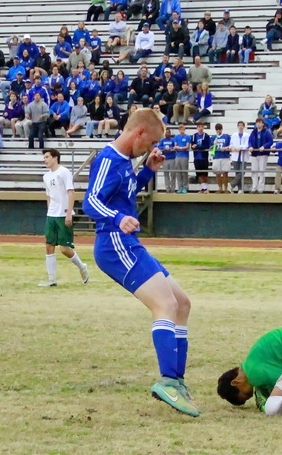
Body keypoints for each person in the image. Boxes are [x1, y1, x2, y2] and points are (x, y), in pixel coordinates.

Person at [82, 108, 200, 417]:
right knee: (165, 306)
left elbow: (124, 190)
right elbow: (91, 201)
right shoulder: (108, 159)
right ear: (139, 134)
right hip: (114, 243)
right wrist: (118, 218)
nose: (152, 148)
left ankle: (177, 380)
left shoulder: (124, 162)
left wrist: (147, 170)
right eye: (151, 144)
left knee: (182, 303)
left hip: (128, 242)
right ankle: (168, 382)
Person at [38, 148, 91, 287]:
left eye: (47, 157)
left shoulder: (64, 172)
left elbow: (71, 193)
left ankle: (82, 267)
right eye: (44, 157)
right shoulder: (46, 176)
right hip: (52, 215)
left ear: (55, 158)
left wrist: (68, 213)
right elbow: (49, 196)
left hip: (63, 214)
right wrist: (49, 211)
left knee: (64, 249)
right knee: (49, 245)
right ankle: (52, 279)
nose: (45, 160)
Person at [248, 118, 272, 193]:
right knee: (254, 171)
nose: (258, 124)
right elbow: (250, 141)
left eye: (260, 122)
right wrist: (250, 146)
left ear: (262, 124)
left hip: (263, 154)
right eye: (257, 122)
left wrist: (264, 146)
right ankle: (254, 187)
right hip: (254, 154)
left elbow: (270, 141)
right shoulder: (253, 132)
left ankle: (260, 188)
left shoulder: (267, 132)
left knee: (261, 171)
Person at [190, 122, 212, 194]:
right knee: (199, 174)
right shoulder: (194, 136)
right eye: (199, 126)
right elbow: (192, 146)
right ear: (197, 128)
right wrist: (195, 147)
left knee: (205, 174)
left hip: (204, 157)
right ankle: (204, 188)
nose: (200, 128)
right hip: (196, 158)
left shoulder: (206, 136)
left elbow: (206, 146)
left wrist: (197, 147)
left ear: (203, 127)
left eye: (202, 126)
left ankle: (204, 188)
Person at [229, 121, 250, 194]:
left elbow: (247, 144)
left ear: (244, 127)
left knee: (242, 172)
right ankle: (240, 189)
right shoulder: (234, 135)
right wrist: (233, 148)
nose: (240, 127)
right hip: (235, 156)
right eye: (239, 125)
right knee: (237, 172)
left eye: (242, 125)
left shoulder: (247, 135)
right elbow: (231, 144)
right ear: (237, 126)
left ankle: (232, 184)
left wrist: (240, 147)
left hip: (243, 156)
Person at [211, 123, 232, 193]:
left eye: (220, 129)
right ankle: (220, 188)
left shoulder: (226, 136)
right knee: (218, 173)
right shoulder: (213, 137)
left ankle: (226, 188)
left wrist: (225, 148)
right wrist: (213, 144)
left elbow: (231, 145)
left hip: (225, 156)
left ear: (222, 129)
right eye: (217, 129)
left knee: (225, 173)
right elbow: (210, 147)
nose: (218, 131)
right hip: (216, 156)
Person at [172, 123, 191, 193]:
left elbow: (187, 147)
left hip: (184, 156)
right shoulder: (176, 137)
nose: (182, 131)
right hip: (178, 156)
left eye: (183, 129)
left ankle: (185, 187)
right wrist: (181, 148)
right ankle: (180, 187)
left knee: (184, 172)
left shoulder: (187, 137)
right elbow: (175, 146)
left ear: (184, 130)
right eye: (180, 129)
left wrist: (179, 148)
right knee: (178, 172)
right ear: (179, 130)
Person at [158, 127, 177, 192]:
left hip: (172, 158)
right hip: (165, 159)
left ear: (170, 133)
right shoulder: (162, 140)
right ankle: (167, 188)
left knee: (173, 174)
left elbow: (175, 147)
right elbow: (159, 147)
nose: (167, 133)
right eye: (166, 132)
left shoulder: (173, 140)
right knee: (166, 174)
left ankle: (173, 188)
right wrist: (164, 148)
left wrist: (171, 148)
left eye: (168, 132)